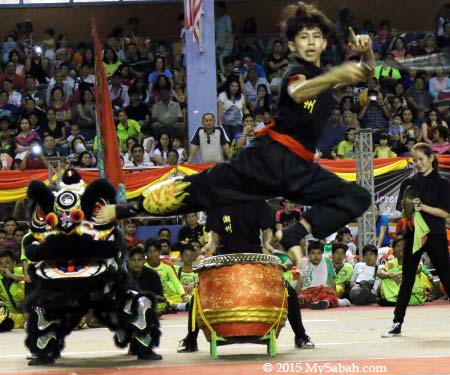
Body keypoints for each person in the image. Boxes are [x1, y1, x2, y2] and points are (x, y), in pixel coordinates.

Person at [96, 2, 373, 270]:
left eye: (317, 37)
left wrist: (367, 53)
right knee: (198, 188)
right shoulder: (295, 72)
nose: (311, 42)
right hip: (266, 160)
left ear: (325, 43)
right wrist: (338, 74)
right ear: (292, 46)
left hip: (300, 168)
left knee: (357, 197)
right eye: (303, 37)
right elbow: (300, 92)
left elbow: (366, 71)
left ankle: (295, 232)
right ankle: (121, 210)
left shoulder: (325, 76)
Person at [178, 200, 315, 353]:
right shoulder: (218, 202)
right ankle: (190, 339)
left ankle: (300, 335)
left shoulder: (256, 201)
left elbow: (266, 228)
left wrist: (266, 244)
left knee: (288, 291)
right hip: (225, 257)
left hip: (254, 255)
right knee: (199, 293)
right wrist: (210, 244)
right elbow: (213, 231)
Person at [382, 143, 450, 337]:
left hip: (435, 234)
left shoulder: (442, 183)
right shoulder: (408, 183)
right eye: (415, 160)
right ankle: (396, 322)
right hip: (413, 235)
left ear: (431, 158)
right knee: (407, 279)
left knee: (446, 276)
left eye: (421, 159)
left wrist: (422, 207)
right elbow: (402, 210)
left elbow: (444, 212)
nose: (418, 163)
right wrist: (408, 208)